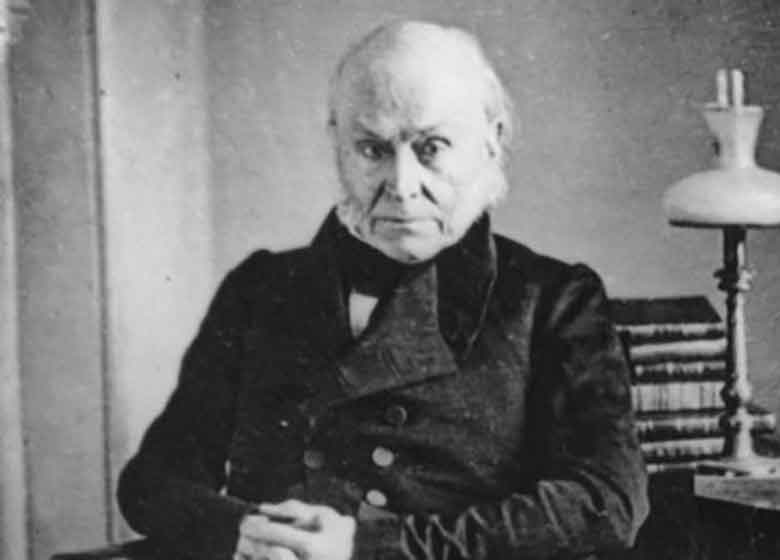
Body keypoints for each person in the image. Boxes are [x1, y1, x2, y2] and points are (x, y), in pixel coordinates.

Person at [118, 20, 649, 560]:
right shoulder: (260, 289)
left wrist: (368, 548)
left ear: (492, 139)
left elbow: (605, 502)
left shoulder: (553, 299)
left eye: (432, 147)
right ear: (337, 145)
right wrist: (240, 531)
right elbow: (152, 480)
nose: (402, 185)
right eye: (372, 149)